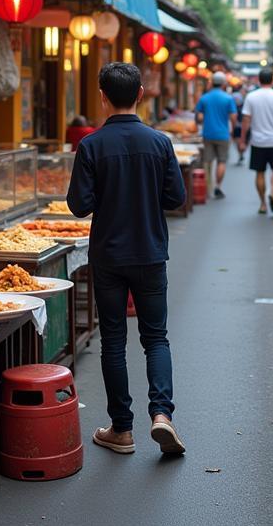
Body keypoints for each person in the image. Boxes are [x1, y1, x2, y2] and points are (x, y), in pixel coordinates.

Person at [66, 62, 187, 456]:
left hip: (109, 255)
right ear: (140, 94)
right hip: (150, 252)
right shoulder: (160, 143)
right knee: (156, 337)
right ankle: (162, 415)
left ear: (102, 97)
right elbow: (175, 198)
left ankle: (121, 430)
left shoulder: (91, 145)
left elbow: (79, 206)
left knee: (113, 340)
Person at [238, 67, 273, 215]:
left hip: (258, 141)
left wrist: (243, 140)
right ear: (272, 80)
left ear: (259, 80)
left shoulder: (251, 97)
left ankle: (263, 203)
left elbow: (246, 120)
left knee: (260, 172)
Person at [195, 72, 238, 198]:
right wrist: (232, 129)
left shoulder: (204, 98)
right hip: (223, 134)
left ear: (211, 83)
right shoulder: (228, 98)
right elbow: (233, 117)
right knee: (221, 161)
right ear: (224, 84)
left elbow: (198, 117)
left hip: (207, 133)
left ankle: (207, 189)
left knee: (207, 161)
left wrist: (202, 121)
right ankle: (218, 187)